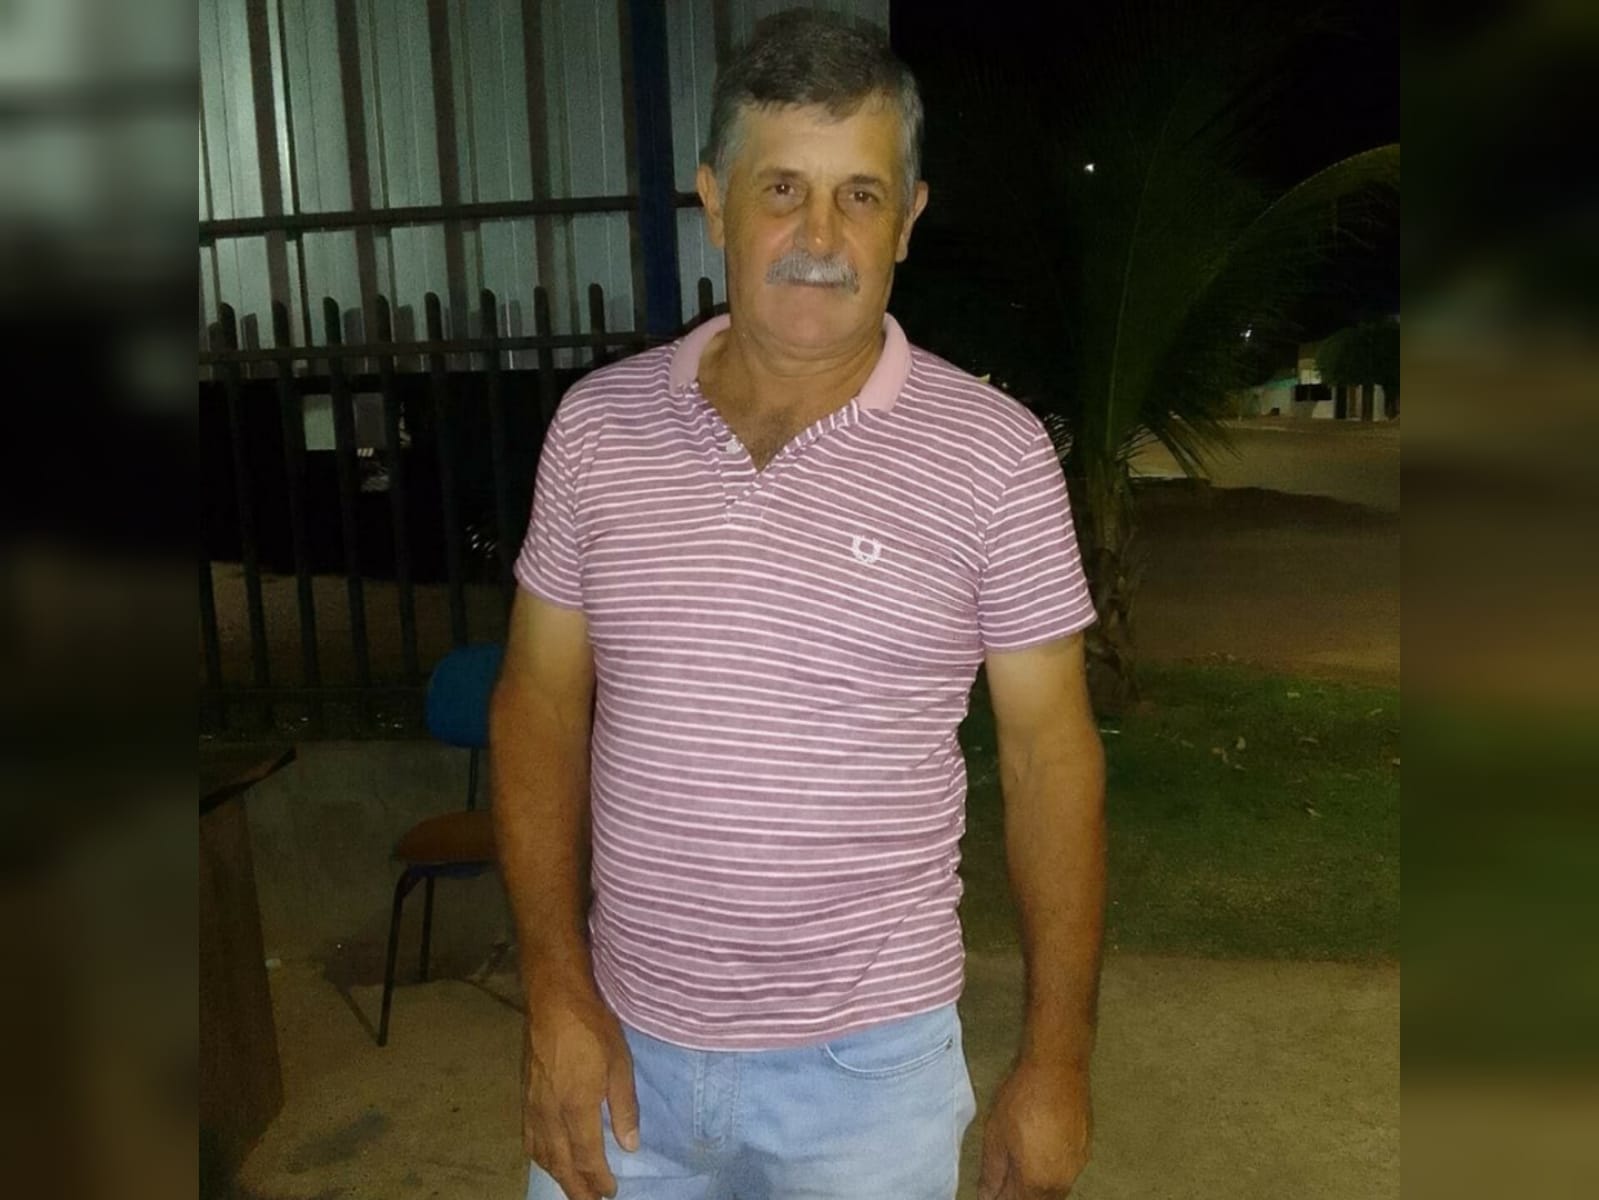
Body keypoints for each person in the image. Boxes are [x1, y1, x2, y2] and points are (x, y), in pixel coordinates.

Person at [491, 10, 1105, 1200]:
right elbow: (540, 705)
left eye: (858, 196)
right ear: (714, 203)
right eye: (782, 189)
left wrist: (1056, 1063)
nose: (819, 237)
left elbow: (1052, 762)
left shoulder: (996, 457)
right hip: (621, 1052)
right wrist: (555, 987)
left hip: (870, 1083)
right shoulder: (598, 431)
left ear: (907, 219)